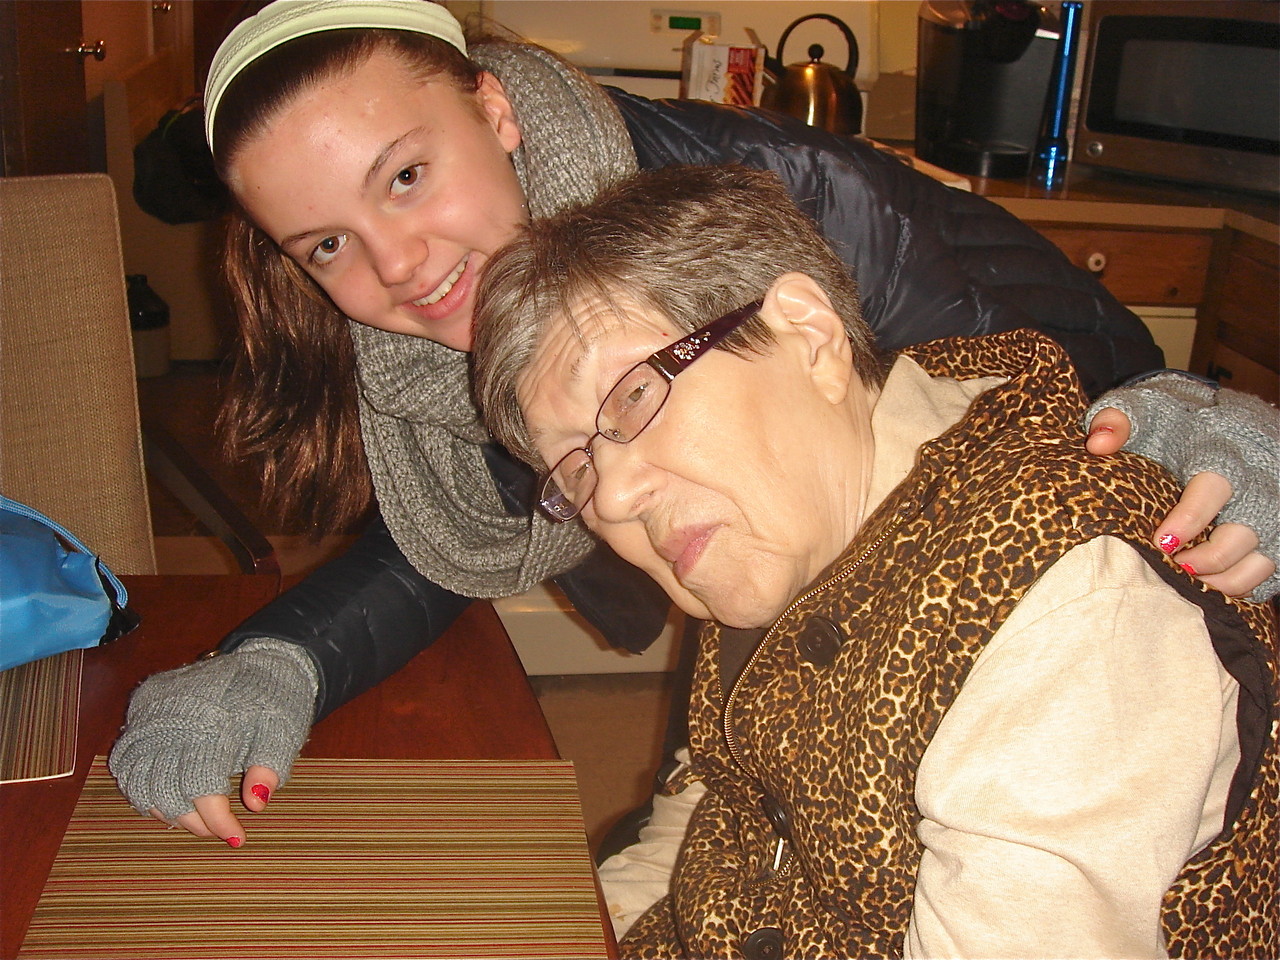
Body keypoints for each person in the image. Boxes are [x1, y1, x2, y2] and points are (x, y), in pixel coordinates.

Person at [109, 0, 1280, 849]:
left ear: (493, 109)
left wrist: (1176, 410)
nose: (398, 268)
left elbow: (1018, 339)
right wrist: (277, 661)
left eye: (405, 176)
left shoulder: (762, 198)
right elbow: (465, 535)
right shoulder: (431, 332)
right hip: (806, 574)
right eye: (326, 245)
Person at [469, 163, 1280, 959]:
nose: (609, 499)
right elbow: (721, 793)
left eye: (635, 396)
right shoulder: (789, 520)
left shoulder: (1068, 607)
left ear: (810, 337)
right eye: (573, 466)